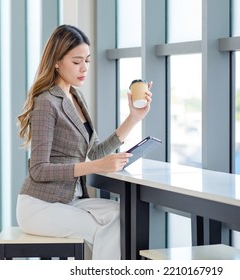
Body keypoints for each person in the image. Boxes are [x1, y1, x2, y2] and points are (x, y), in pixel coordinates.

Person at [16, 24, 152, 260]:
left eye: (87, 61)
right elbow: (38, 169)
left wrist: (133, 118)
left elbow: (97, 151)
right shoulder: (46, 101)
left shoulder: (75, 97)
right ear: (56, 62)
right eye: (77, 61)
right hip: (39, 204)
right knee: (104, 230)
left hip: (70, 200)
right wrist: (96, 167)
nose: (84, 68)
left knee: (122, 216)